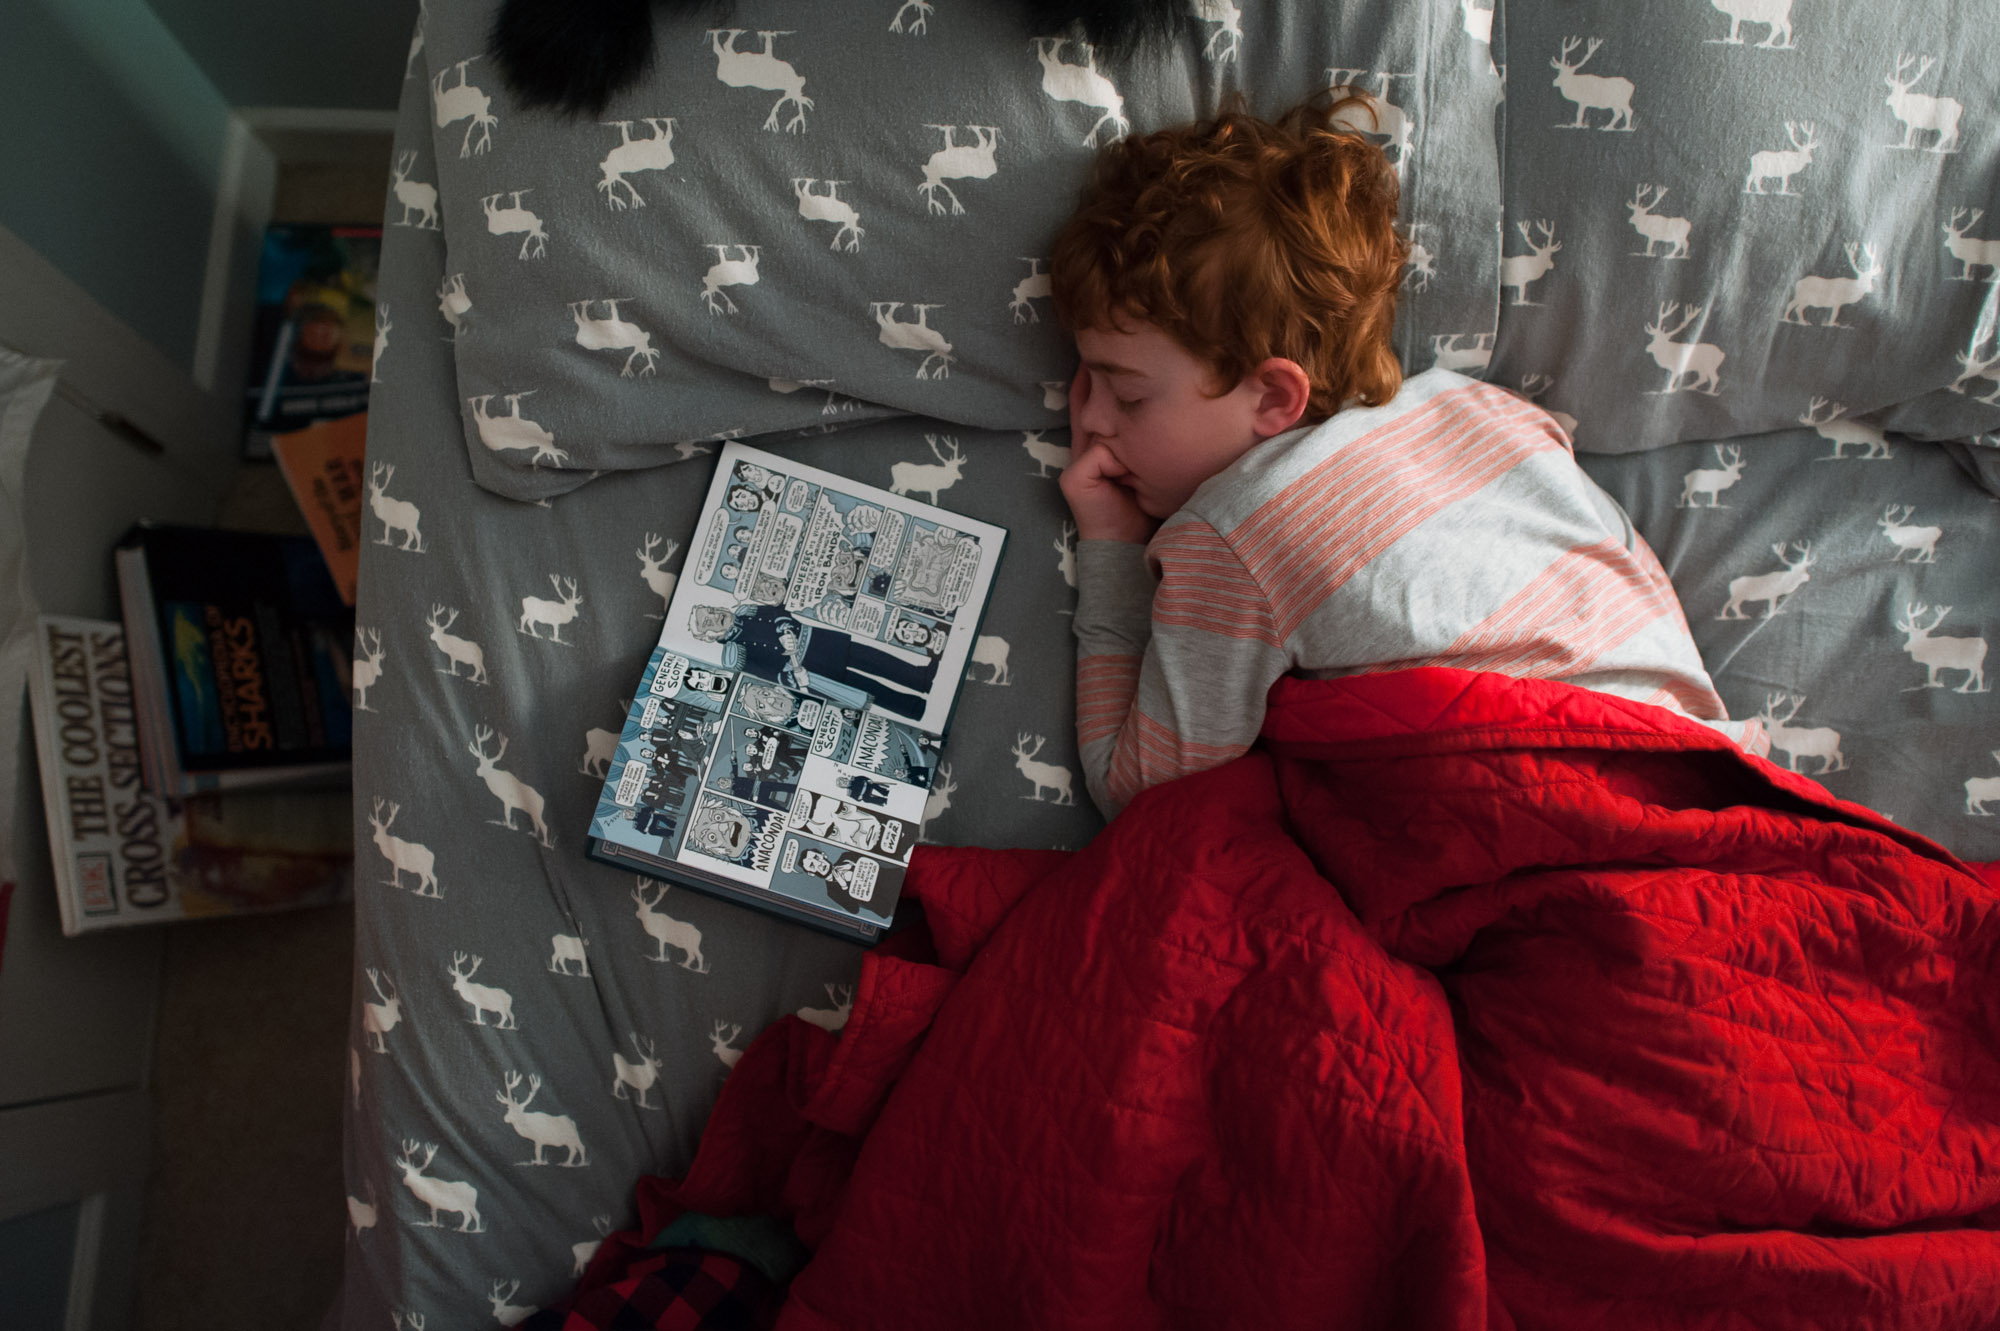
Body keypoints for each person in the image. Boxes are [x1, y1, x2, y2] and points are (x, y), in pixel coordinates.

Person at [1051, 91, 1762, 820]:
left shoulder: (1232, 531)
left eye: (1127, 395)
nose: (1091, 418)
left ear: (1272, 398)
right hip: (1712, 765)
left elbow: (1140, 793)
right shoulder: (1488, 409)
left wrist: (1109, 543)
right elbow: (1623, 569)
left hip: (1565, 803)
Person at [687, 602, 939, 720]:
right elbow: (767, 674)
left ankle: (919, 677)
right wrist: (791, 678)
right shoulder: (734, 653)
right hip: (812, 669)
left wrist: (785, 628)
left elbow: (778, 611)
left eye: (711, 610)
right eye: (708, 622)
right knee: (868, 689)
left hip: (819, 641)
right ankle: (914, 708)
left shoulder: (746, 610)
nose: (715, 615)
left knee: (875, 659)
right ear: (710, 637)